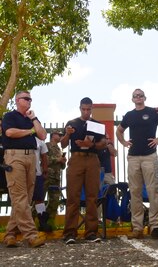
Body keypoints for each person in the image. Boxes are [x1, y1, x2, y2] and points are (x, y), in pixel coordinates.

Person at [116, 89, 158, 240]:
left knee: (153, 191)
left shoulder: (154, 112)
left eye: (140, 95)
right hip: (133, 158)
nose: (138, 97)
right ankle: (137, 228)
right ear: (132, 99)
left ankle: (156, 226)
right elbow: (119, 131)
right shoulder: (129, 115)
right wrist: (123, 142)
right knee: (135, 192)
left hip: (150, 157)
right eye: (135, 96)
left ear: (145, 98)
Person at [1, 90, 46, 248]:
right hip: (15, 157)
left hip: (31, 157)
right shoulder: (10, 116)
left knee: (24, 198)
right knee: (20, 196)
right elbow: (9, 132)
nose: (29, 101)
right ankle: (31, 235)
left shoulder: (32, 118)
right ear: (17, 100)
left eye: (31, 99)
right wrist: (30, 132)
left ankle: (10, 234)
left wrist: (33, 119)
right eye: (26, 99)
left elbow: (42, 135)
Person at [61, 97, 107, 244]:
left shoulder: (97, 125)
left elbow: (103, 144)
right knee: (72, 197)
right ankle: (70, 233)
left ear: (92, 108)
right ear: (80, 108)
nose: (86, 112)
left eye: (88, 109)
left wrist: (91, 144)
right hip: (76, 159)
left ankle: (91, 232)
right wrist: (67, 134)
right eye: (83, 109)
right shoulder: (72, 123)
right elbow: (62, 145)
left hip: (92, 159)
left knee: (92, 197)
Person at [44, 130, 66, 229]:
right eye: (59, 135)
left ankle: (48, 223)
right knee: (39, 200)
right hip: (46, 175)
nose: (61, 136)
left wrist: (63, 161)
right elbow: (44, 160)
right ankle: (34, 221)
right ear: (53, 135)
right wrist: (58, 159)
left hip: (56, 178)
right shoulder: (47, 145)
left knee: (54, 201)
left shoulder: (58, 149)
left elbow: (62, 167)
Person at [32, 137, 52, 232]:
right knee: (22, 198)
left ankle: (42, 222)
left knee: (39, 199)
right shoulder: (20, 138)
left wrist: (45, 169)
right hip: (22, 174)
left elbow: (44, 156)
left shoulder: (40, 142)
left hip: (37, 173)